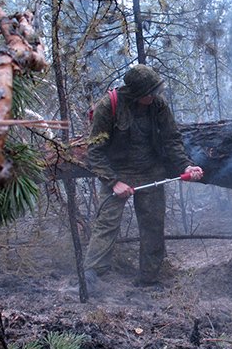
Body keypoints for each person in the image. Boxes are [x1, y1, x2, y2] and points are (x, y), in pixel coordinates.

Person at [84, 64, 203, 289]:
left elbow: (172, 139)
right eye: (149, 92)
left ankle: (148, 279)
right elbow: (95, 151)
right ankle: (91, 276)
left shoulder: (158, 106)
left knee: (153, 225)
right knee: (106, 223)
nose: (154, 96)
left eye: (155, 91)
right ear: (136, 92)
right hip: (117, 172)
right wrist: (113, 182)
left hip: (151, 171)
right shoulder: (108, 106)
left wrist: (186, 165)